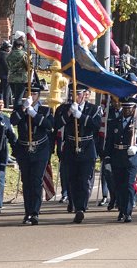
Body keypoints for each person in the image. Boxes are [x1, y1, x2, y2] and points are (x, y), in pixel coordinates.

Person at [54, 84, 101, 223]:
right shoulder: (63, 109)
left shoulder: (93, 109)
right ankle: (75, 205)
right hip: (70, 146)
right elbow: (57, 124)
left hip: (87, 147)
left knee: (85, 180)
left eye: (78, 94)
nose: (75, 97)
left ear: (85, 94)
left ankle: (81, 207)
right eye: (73, 94)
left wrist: (81, 116)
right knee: (72, 179)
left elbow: (96, 125)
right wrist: (69, 114)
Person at [10, 85, 54, 225]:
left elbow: (48, 125)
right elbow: (13, 121)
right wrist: (24, 108)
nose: (32, 96)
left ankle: (34, 212)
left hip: (40, 149)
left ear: (38, 96)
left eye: (34, 94)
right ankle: (27, 211)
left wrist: (33, 114)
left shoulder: (45, 110)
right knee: (26, 181)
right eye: (29, 94)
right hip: (24, 150)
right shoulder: (19, 109)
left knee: (36, 181)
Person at [104, 97, 137, 223]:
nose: (126, 111)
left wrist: (136, 147)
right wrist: (108, 159)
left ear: (134, 109)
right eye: (124, 108)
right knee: (119, 186)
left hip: (132, 158)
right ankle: (121, 209)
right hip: (117, 157)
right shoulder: (115, 122)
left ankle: (128, 211)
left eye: (129, 108)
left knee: (128, 185)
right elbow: (109, 142)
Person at [7, 40, 29, 108]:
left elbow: (8, 64)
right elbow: (29, 66)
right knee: (18, 98)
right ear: (22, 46)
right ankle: (17, 113)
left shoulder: (10, 54)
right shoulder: (24, 54)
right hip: (21, 78)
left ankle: (15, 111)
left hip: (11, 78)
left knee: (15, 96)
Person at [0, 41, 12, 108]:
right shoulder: (4, 54)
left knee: (1, 91)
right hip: (5, 75)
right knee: (6, 91)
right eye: (9, 47)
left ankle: (0, 103)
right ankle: (6, 106)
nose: (10, 49)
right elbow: (6, 66)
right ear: (6, 48)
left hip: (1, 74)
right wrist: (10, 73)